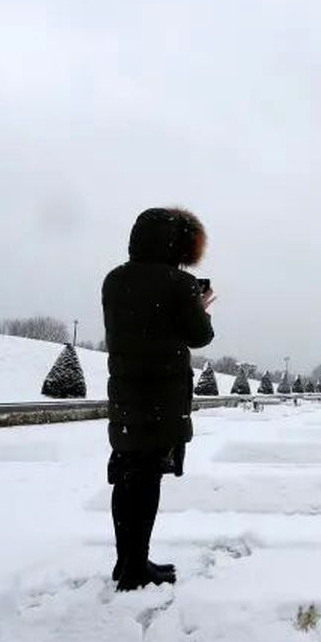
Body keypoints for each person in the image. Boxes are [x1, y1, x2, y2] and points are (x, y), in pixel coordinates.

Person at [102, 207, 215, 591]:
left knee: (127, 476)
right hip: (162, 394)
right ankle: (136, 569)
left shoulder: (114, 280)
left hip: (125, 392)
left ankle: (126, 560)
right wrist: (199, 306)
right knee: (148, 479)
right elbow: (199, 336)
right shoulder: (178, 283)